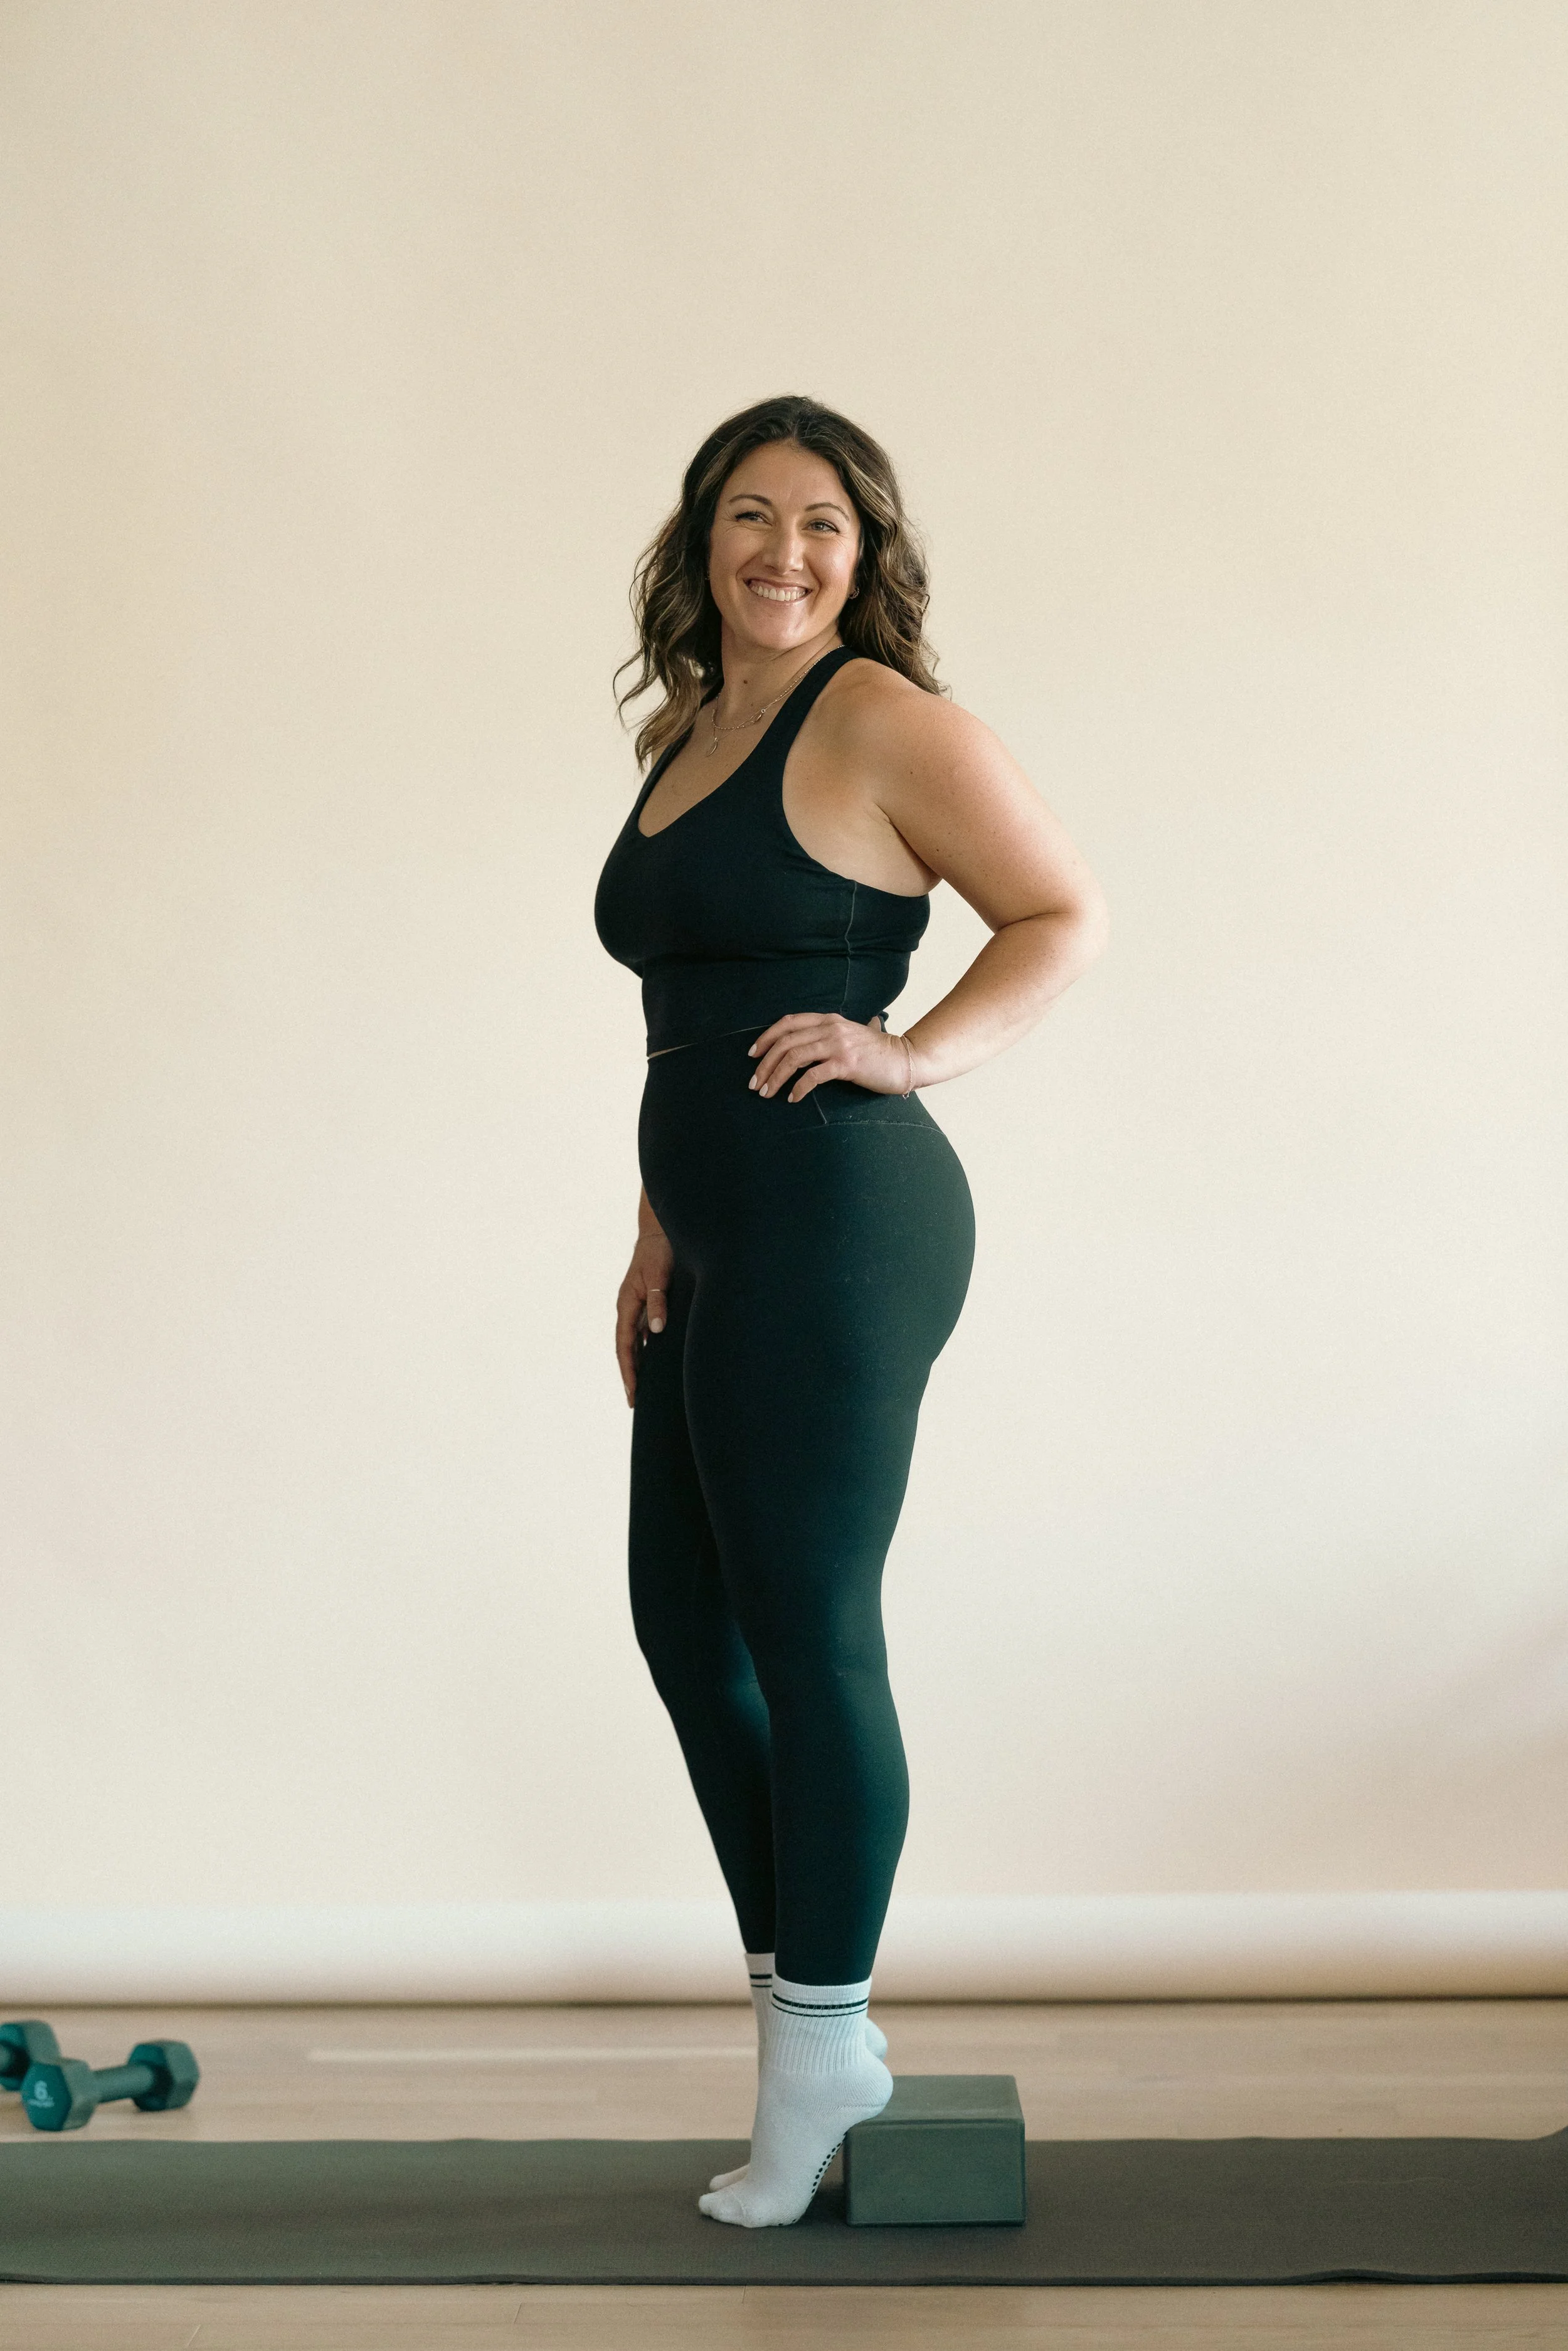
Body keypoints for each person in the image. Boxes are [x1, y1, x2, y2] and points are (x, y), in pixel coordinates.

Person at [593, 395, 1108, 2227]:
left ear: (866, 553)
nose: (785, 552)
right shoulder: (690, 730)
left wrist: (908, 1053)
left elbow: (1058, 912)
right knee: (684, 1622)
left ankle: (819, 2037)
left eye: (824, 522)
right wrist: (658, 1225)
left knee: (807, 1628)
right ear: (700, 538)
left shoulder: (881, 718)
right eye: (751, 514)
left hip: (838, 1217)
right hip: (718, 1232)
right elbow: (687, 1016)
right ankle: (808, 2020)